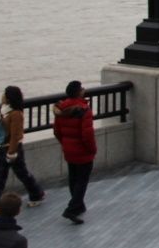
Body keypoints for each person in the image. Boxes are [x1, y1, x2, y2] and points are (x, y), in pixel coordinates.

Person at [0, 86, 45, 217]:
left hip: (12, 149)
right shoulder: (5, 111)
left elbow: (15, 135)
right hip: (4, 147)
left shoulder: (16, 114)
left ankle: (37, 194)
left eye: (4, 94)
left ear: (9, 98)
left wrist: (12, 153)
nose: (2, 96)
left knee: (22, 174)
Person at [51, 80, 96, 224]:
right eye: (82, 89)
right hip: (83, 152)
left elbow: (57, 131)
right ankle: (72, 209)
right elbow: (87, 135)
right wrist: (92, 150)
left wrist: (65, 143)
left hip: (68, 150)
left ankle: (79, 205)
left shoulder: (60, 109)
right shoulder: (85, 111)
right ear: (79, 92)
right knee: (82, 181)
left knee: (73, 178)